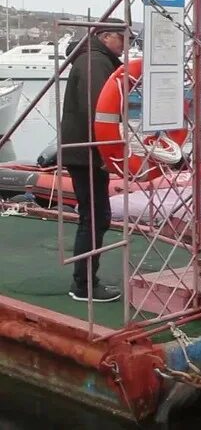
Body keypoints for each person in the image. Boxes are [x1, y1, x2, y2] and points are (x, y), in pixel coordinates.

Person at [61, 18, 132, 302]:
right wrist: (107, 152)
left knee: (94, 216)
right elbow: (99, 112)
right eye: (122, 38)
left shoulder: (94, 59)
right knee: (94, 217)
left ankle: (86, 281)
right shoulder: (96, 63)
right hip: (89, 152)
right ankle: (84, 285)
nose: (126, 45)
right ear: (105, 37)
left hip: (86, 151)